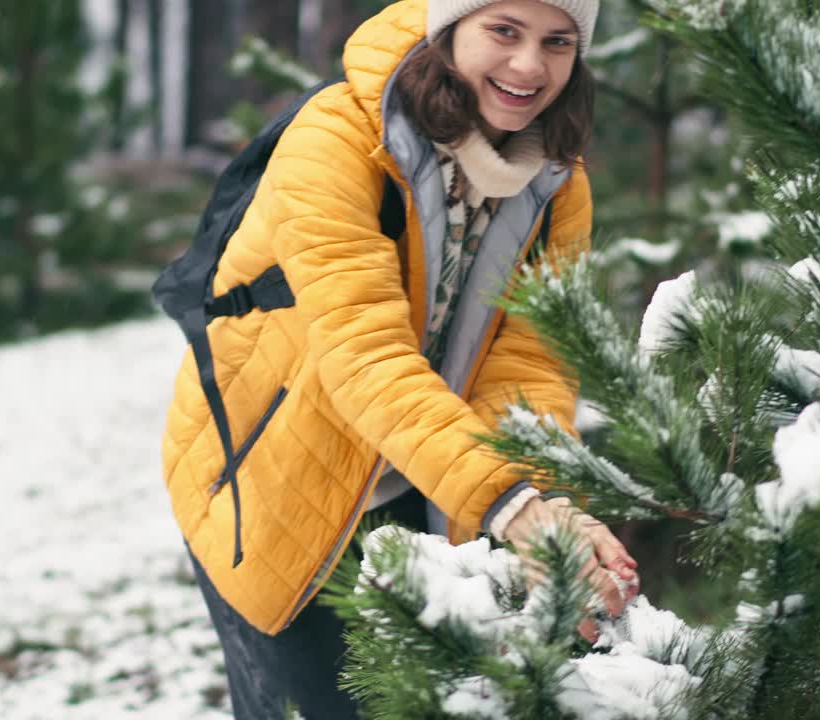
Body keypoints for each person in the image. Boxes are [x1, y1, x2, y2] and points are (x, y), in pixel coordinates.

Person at [162, 0, 639, 716]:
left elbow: (529, 366)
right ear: (448, 30)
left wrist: (547, 513)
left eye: (558, 41)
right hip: (271, 483)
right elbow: (363, 352)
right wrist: (513, 507)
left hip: (426, 484)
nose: (530, 65)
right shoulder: (339, 138)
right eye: (503, 31)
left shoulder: (556, 183)